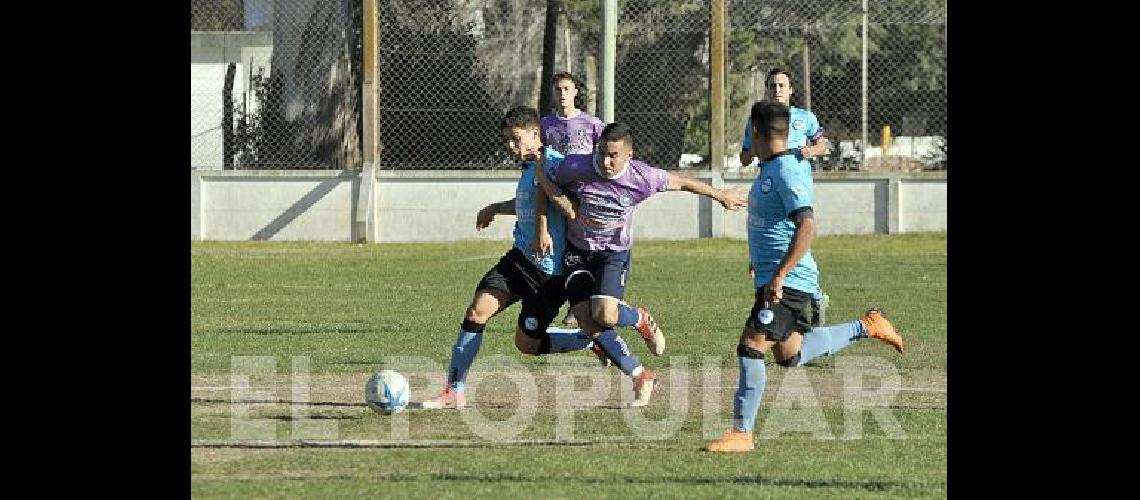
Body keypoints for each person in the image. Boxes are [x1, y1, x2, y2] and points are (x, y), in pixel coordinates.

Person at [704, 100, 905, 453]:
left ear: (755, 131)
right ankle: (868, 325)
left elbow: (807, 226)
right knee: (789, 354)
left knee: (751, 344)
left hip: (790, 281)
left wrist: (780, 273)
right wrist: (760, 261)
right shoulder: (773, 167)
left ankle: (741, 432)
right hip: (776, 276)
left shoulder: (786, 171)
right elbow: (773, 225)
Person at [534, 122, 748, 407]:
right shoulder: (575, 166)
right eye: (601, 154)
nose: (605, 162)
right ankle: (640, 375)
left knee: (606, 315)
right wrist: (542, 224)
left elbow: (683, 182)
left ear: (629, 155)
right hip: (578, 251)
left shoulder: (642, 178)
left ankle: (638, 319)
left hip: (614, 254)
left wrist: (721, 196)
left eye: (613, 156)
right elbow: (545, 187)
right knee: (586, 318)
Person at [421, 106, 603, 410]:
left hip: (551, 272)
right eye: (506, 139)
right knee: (476, 313)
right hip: (518, 260)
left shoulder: (556, 165)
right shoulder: (527, 167)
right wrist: (495, 207)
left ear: (535, 135)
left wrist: (545, 230)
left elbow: (571, 206)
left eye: (515, 138)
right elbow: (528, 204)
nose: (510, 145)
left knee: (527, 345)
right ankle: (454, 389)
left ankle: (587, 339)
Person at [740, 67, 831, 325]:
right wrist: (753, 151)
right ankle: (812, 293)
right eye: (773, 85)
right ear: (766, 89)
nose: (777, 90)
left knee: (799, 232)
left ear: (791, 90)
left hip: (796, 185)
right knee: (784, 234)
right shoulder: (758, 120)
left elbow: (824, 144)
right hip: (770, 179)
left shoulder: (805, 118)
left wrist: (811, 151)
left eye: (782, 85)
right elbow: (745, 155)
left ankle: (809, 291)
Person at [540, 72, 606, 327]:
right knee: (564, 247)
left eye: (567, 88)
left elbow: (607, 152)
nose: (563, 94)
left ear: (575, 91)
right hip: (559, 195)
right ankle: (572, 301)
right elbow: (541, 156)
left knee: (587, 247)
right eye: (558, 89)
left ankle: (585, 300)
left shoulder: (591, 124)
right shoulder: (546, 125)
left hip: (587, 195)